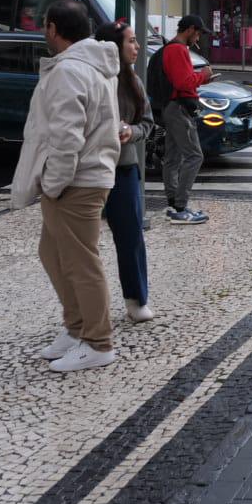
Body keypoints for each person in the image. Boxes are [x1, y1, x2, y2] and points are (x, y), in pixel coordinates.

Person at [11, 0, 122, 372]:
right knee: (54, 254)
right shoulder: (88, 66)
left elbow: (66, 136)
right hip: (84, 176)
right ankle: (77, 329)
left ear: (54, 28)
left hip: (77, 181)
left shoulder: (69, 71)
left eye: (45, 25)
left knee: (79, 263)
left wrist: (54, 184)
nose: (44, 31)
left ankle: (98, 341)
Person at [94, 20, 155, 323]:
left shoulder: (133, 80)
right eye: (130, 41)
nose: (137, 46)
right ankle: (83, 311)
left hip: (123, 167)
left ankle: (136, 298)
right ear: (112, 47)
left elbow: (148, 121)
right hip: (89, 170)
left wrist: (132, 131)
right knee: (81, 243)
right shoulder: (92, 78)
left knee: (130, 236)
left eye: (134, 40)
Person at [150, 15, 213, 225]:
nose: (199, 37)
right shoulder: (177, 50)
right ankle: (180, 206)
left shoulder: (170, 49)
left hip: (169, 107)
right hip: (178, 109)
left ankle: (173, 203)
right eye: (199, 33)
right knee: (194, 155)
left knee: (173, 156)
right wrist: (203, 76)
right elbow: (183, 82)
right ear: (191, 29)